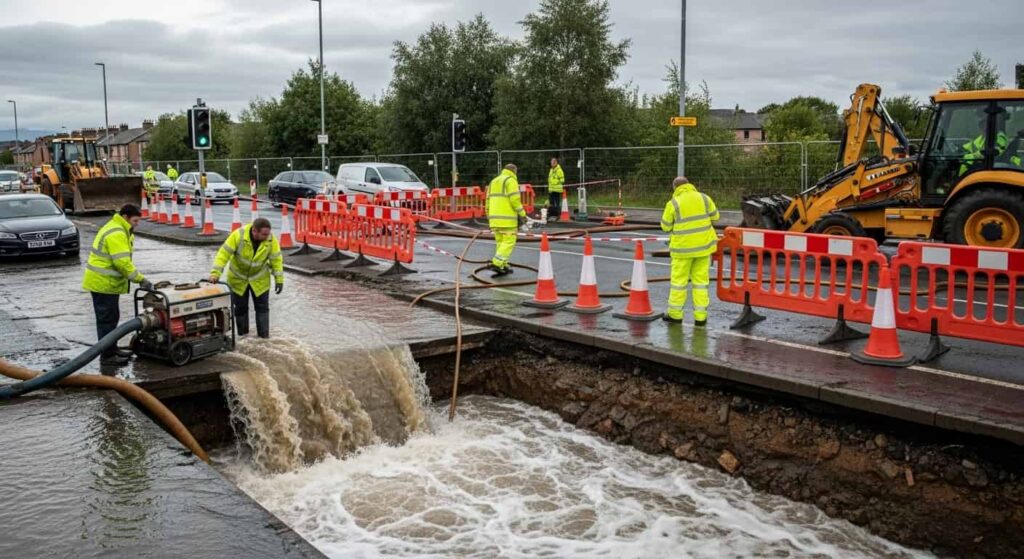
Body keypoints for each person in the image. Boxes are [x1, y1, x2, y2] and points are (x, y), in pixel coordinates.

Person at [81, 204, 152, 366]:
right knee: (107, 320)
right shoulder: (117, 232)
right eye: (135, 220)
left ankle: (112, 349)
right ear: (126, 217)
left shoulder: (118, 228)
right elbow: (122, 263)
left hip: (105, 284)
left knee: (111, 319)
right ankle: (107, 356)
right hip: (103, 284)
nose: (137, 224)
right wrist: (141, 279)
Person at [208, 217, 284, 338]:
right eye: (264, 234)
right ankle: (244, 338)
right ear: (255, 231)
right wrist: (215, 273)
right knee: (241, 309)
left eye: (268, 234)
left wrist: (279, 280)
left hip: (260, 280)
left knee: (263, 309)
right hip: (238, 280)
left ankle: (263, 339)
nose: (267, 236)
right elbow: (223, 254)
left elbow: (276, 260)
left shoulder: (270, 240)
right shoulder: (238, 236)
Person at [660, 176, 719, 326]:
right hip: (704, 249)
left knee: (679, 283)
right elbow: (716, 217)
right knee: (700, 283)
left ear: (675, 188)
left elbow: (665, 226)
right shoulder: (704, 198)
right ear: (690, 185)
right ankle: (700, 317)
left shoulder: (673, 203)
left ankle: (675, 315)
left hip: (682, 251)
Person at [486, 164, 526, 276]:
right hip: (507, 220)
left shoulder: (493, 181)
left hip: (494, 219)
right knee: (509, 241)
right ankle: (498, 263)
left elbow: (487, 200)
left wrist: (488, 215)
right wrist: (523, 214)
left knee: (500, 242)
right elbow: (515, 201)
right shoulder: (511, 181)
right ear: (514, 171)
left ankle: (503, 265)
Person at [960, 110, 1023, 176]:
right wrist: (961, 150)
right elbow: (971, 146)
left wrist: (975, 155)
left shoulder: (1000, 137)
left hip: (999, 167)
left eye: (985, 125)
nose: (983, 128)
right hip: (981, 167)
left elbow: (997, 151)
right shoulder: (981, 138)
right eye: (981, 125)